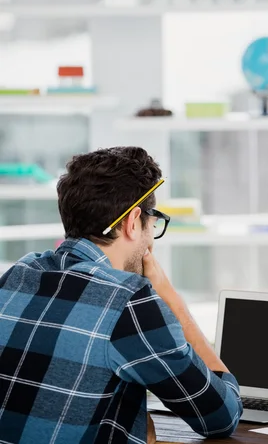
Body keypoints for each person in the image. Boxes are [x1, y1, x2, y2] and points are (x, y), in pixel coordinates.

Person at [0, 147, 242, 443]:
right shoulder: (129, 300)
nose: (152, 235)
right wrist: (169, 297)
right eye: (154, 222)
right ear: (132, 221)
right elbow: (221, 417)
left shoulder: (19, 274)